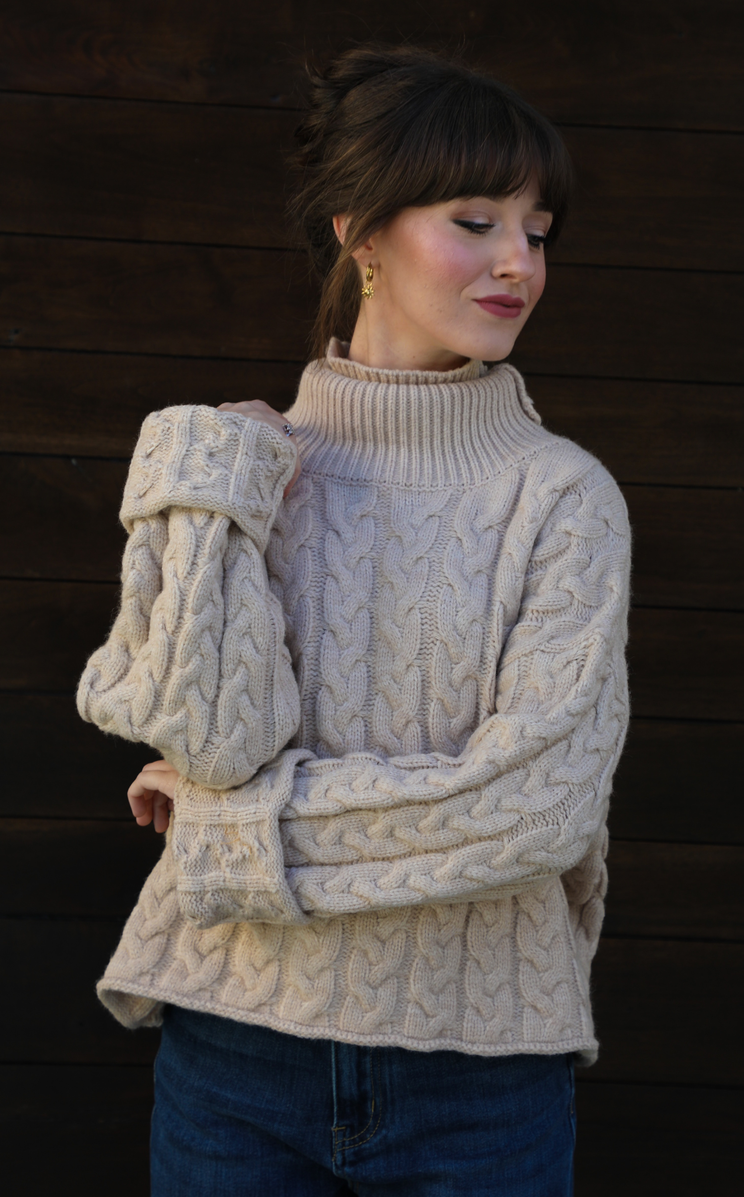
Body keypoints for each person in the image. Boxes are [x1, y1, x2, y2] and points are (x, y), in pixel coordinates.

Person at [77, 43, 631, 1196]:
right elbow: (210, 737)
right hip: (233, 1052)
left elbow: (529, 809)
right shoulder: (239, 462)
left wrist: (228, 840)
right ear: (357, 231)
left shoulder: (561, 499)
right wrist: (211, 486)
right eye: (475, 220)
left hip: (478, 1079)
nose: (516, 262)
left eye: (536, 229)